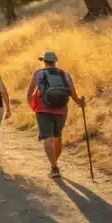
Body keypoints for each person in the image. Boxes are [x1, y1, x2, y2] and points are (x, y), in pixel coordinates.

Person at [26, 50, 85, 179]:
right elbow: (73, 94)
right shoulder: (65, 74)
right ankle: (54, 164)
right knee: (57, 137)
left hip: (43, 110)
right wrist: (80, 103)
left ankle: (54, 167)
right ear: (55, 61)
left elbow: (29, 94)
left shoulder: (38, 74)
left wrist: (33, 107)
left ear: (44, 62)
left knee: (47, 138)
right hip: (61, 110)